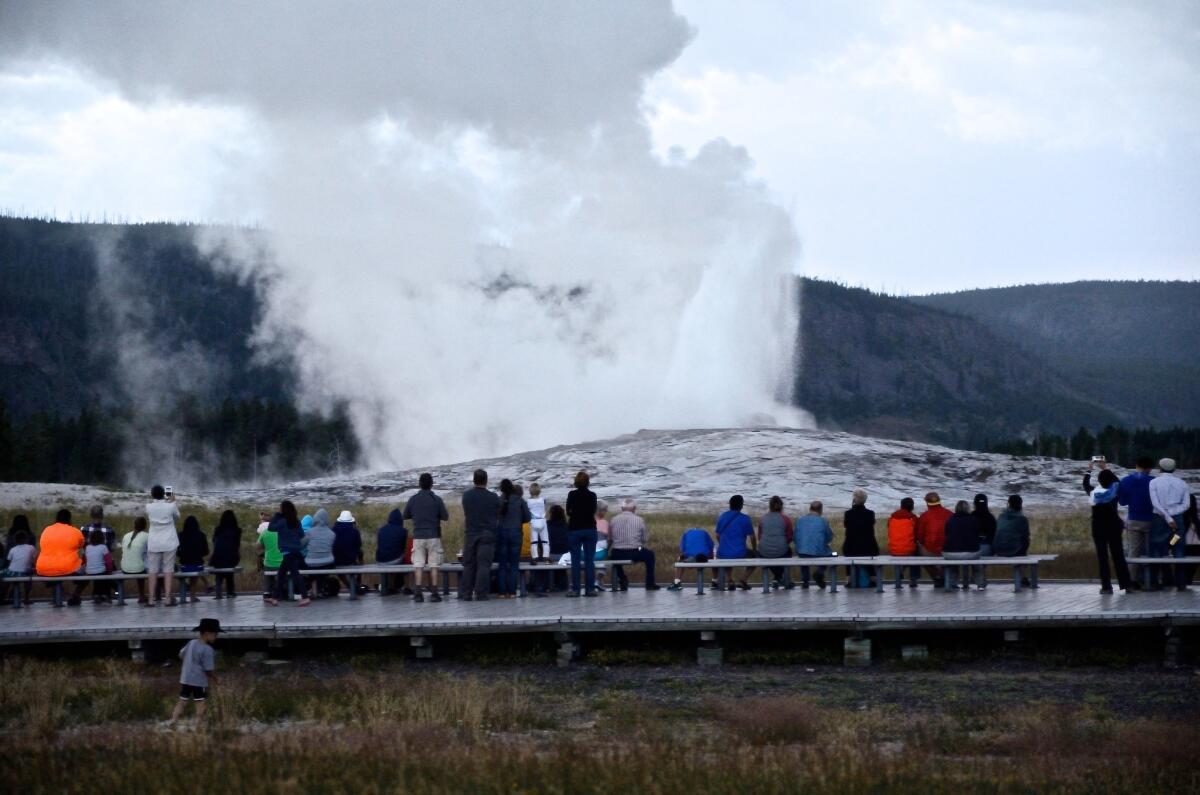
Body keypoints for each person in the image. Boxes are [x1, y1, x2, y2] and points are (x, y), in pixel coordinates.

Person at [1083, 463, 1133, 594]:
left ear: (1099, 481)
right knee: (1119, 556)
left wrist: (1089, 470)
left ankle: (1106, 587)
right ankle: (1126, 584)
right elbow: (1117, 481)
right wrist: (1105, 468)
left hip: (1098, 527)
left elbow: (1085, 484)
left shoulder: (1094, 494)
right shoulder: (1114, 492)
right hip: (1113, 526)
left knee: (1103, 558)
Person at [1148, 458, 1191, 591]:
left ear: (1159, 468)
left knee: (1157, 548)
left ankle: (1155, 582)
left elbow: (1155, 503)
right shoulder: (1182, 483)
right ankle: (1180, 583)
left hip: (1159, 520)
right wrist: (1173, 515)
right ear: (1174, 468)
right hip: (1177, 521)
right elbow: (1186, 504)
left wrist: (1167, 516)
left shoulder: (1154, 482)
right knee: (1177, 547)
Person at [404, 472, 449, 603]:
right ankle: (434, 593)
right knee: (434, 565)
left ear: (419, 484)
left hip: (418, 536)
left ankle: (418, 593)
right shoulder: (436, 499)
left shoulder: (413, 499)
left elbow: (405, 515)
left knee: (418, 565)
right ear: (431, 484)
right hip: (434, 535)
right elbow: (445, 516)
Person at [169, 618, 220, 725]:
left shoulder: (191, 642)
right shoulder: (208, 650)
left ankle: (173, 720)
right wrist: (216, 679)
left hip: (186, 678)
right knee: (200, 702)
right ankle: (199, 723)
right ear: (207, 633)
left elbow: (180, 655)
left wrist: (189, 663)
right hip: (199, 681)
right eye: (215, 634)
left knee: (182, 701)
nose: (217, 636)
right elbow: (208, 670)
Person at [461, 469, 500, 601]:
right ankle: (481, 593)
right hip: (487, 534)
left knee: (469, 564)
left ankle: (466, 593)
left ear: (474, 480)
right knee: (484, 565)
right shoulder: (493, 497)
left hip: (471, 533)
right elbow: (497, 513)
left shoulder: (466, 496)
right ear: (486, 480)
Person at [1118, 456, 1155, 588]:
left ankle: (1133, 580)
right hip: (1151, 519)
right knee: (1151, 551)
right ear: (1150, 468)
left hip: (1134, 519)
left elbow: (1122, 502)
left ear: (1136, 465)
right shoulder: (1153, 481)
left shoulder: (1126, 481)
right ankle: (1150, 580)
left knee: (1134, 551)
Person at [36, 509, 87, 605]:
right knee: (86, 574)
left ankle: (60, 595)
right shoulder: (74, 531)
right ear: (69, 519)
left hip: (43, 568)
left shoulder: (46, 530)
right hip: (67, 568)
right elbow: (81, 544)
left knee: (54, 575)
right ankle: (75, 595)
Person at [608, 498, 660, 591]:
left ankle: (622, 579)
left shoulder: (613, 520)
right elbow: (644, 539)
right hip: (636, 550)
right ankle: (650, 584)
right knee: (650, 555)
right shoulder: (639, 520)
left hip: (617, 552)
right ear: (634, 508)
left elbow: (610, 539)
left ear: (622, 508)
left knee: (613, 557)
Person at [266, 501, 309, 607]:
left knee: (295, 575)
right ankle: (275, 598)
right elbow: (301, 535)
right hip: (295, 551)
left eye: (280, 508)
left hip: (287, 551)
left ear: (284, 509)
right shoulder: (296, 521)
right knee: (281, 574)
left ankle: (305, 597)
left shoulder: (282, 521)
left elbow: (270, 527)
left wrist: (276, 516)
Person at [145, 485, 181, 607]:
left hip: (154, 541)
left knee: (153, 570)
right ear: (164, 494)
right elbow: (177, 517)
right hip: (169, 540)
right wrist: (173, 501)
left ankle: (150, 600)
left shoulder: (148, 507)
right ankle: (167, 599)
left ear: (152, 494)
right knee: (168, 570)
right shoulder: (170, 506)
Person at [495, 479, 531, 599]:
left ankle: (501, 592)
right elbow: (527, 517)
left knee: (502, 564)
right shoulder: (520, 501)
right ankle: (512, 592)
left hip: (501, 533)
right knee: (514, 564)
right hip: (516, 533)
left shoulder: (499, 500)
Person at [565, 471, 599, 597]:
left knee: (575, 559)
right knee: (589, 560)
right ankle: (590, 589)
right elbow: (593, 510)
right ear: (588, 482)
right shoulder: (592, 495)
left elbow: (568, 511)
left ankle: (575, 589)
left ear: (576, 482)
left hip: (575, 528)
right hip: (590, 528)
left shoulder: (572, 494)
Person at [715, 495, 756, 591]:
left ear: (730, 505)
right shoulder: (745, 518)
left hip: (723, 552)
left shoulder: (722, 517)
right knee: (754, 557)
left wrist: (723, 544)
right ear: (741, 505)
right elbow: (752, 537)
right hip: (740, 552)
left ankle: (730, 580)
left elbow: (717, 534)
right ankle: (744, 579)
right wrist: (754, 549)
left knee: (726, 555)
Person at [842, 489, 878, 588]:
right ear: (865, 500)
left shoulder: (848, 513)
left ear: (854, 499)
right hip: (868, 547)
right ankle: (873, 578)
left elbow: (846, 525)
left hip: (851, 547)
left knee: (848, 551)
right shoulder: (870, 513)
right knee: (870, 552)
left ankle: (849, 579)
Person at [942, 501, 982, 590]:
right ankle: (980, 583)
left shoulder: (950, 520)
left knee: (952, 565)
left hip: (950, 553)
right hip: (970, 553)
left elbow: (946, 534)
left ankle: (952, 584)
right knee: (977, 562)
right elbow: (977, 535)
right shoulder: (973, 520)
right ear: (968, 509)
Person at [793, 501, 833, 589]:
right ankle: (820, 571)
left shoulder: (800, 520)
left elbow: (795, 537)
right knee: (832, 554)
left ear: (810, 509)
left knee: (803, 554)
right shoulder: (823, 521)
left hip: (802, 551)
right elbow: (829, 537)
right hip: (818, 551)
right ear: (820, 510)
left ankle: (805, 581)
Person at [757, 496, 793, 589]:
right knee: (788, 552)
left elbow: (760, 537)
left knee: (769, 555)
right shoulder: (786, 519)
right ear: (781, 507)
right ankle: (781, 578)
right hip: (781, 551)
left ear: (770, 506)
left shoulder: (763, 519)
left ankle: (777, 578)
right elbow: (789, 537)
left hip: (763, 551)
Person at [916, 492, 951, 584]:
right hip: (948, 550)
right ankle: (943, 576)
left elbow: (920, 537)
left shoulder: (924, 516)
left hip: (930, 550)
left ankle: (936, 577)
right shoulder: (950, 514)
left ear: (927, 503)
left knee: (918, 549)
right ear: (940, 501)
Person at [887, 497, 921, 588]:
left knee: (906, 548)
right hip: (909, 551)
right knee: (915, 550)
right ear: (912, 507)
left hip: (893, 550)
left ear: (901, 506)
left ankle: (900, 573)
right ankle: (913, 579)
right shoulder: (913, 518)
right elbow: (918, 535)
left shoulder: (892, 518)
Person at [303, 509, 336, 598]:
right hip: (328, 563)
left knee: (309, 567)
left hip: (311, 563)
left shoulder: (309, 532)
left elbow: (301, 544)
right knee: (323, 569)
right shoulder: (332, 534)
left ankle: (313, 590)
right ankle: (320, 589)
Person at [209, 510, 242, 598]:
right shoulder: (237, 530)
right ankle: (230, 591)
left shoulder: (218, 529)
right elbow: (237, 545)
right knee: (229, 568)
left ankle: (218, 589)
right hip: (232, 558)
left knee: (220, 570)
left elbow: (214, 542)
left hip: (217, 558)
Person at [177, 515, 211, 600]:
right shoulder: (201, 535)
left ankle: (188, 590)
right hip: (197, 565)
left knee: (187, 568)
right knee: (196, 569)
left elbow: (178, 552)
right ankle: (192, 596)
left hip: (184, 566)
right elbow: (206, 551)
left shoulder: (180, 535)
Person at [376, 508, 408, 595]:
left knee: (392, 559)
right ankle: (395, 586)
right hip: (394, 559)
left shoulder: (381, 530)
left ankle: (385, 585)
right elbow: (403, 548)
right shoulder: (403, 531)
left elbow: (379, 544)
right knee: (402, 560)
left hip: (380, 559)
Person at [120, 517, 150, 604]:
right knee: (147, 567)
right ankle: (143, 595)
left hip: (125, 568)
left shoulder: (126, 535)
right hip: (139, 570)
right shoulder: (147, 536)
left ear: (134, 525)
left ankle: (141, 595)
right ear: (145, 526)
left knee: (138, 563)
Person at [3, 529, 35, 606]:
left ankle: (3, 597)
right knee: (29, 574)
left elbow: (8, 561)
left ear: (15, 540)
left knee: (4, 574)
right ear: (26, 539)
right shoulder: (31, 548)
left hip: (12, 572)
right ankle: (26, 598)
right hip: (25, 572)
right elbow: (35, 560)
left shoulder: (12, 549)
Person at [82, 527, 115, 603]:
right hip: (101, 571)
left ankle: (97, 594)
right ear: (102, 538)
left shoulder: (87, 547)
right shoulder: (103, 547)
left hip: (89, 571)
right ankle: (107, 595)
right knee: (106, 577)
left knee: (98, 576)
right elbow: (109, 562)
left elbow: (85, 561)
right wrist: (110, 571)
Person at [255, 515, 283, 598]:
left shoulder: (265, 533)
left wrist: (266, 546)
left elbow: (257, 546)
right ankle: (281, 590)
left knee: (266, 571)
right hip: (282, 563)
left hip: (269, 563)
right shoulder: (283, 532)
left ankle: (267, 591)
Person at [527, 482, 550, 561]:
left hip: (533, 521)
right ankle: (546, 557)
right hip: (542, 521)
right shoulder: (543, 500)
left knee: (534, 542)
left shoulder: (528, 501)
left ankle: (534, 557)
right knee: (545, 541)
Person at [593, 501, 611, 590]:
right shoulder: (604, 523)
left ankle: (598, 581)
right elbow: (609, 539)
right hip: (600, 551)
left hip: (587, 551)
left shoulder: (589, 521)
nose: (606, 512)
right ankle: (598, 580)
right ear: (601, 511)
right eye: (605, 510)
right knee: (605, 559)